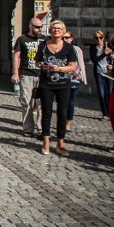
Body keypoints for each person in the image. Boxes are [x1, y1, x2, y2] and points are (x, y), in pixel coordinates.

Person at [35, 20, 78, 156]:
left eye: (59, 28)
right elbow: (37, 62)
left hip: (63, 84)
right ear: (50, 30)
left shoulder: (68, 47)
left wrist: (60, 68)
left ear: (63, 30)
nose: (56, 30)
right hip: (46, 84)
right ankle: (46, 142)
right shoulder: (43, 45)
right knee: (46, 113)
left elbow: (72, 66)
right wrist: (43, 65)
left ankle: (61, 143)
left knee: (62, 113)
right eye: (54, 28)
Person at [12, 18, 44, 137]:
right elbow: (16, 56)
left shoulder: (44, 39)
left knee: (41, 103)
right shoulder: (22, 39)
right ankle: (28, 128)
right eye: (37, 27)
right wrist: (16, 72)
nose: (39, 29)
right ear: (30, 26)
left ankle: (41, 129)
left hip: (42, 75)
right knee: (26, 101)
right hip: (26, 74)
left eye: (41, 27)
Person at [62, 31, 86, 133]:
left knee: (71, 103)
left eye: (67, 37)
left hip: (75, 78)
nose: (65, 39)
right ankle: (61, 122)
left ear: (71, 38)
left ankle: (68, 124)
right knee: (63, 103)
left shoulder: (77, 49)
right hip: (63, 78)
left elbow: (81, 63)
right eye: (63, 37)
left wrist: (83, 77)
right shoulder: (59, 48)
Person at [89, 29, 112, 120]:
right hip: (99, 72)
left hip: (109, 72)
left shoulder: (108, 46)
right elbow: (94, 60)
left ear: (103, 37)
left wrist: (109, 53)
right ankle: (105, 113)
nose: (99, 40)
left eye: (100, 37)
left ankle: (110, 112)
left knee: (110, 92)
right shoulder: (93, 47)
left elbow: (113, 58)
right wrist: (104, 54)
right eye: (96, 38)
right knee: (101, 94)